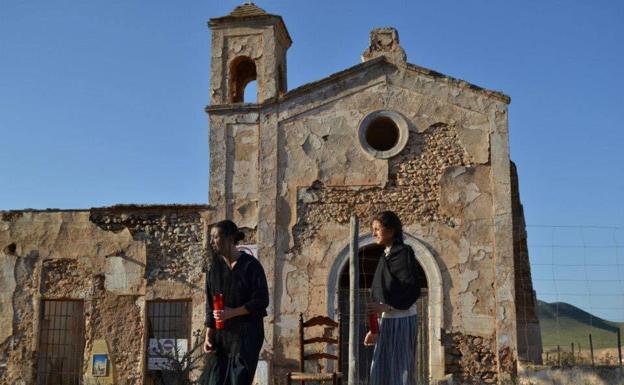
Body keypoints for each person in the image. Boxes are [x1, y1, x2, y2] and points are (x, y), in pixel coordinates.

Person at [201, 220, 269, 385]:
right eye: (211, 237)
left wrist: (232, 312)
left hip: (247, 336)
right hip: (221, 339)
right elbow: (210, 305)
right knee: (214, 381)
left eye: (216, 237)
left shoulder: (251, 266)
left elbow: (261, 300)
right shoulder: (214, 270)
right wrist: (208, 336)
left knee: (238, 380)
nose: (212, 241)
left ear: (230, 239)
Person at [363, 211, 423, 385]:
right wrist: (374, 329)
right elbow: (378, 296)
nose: (373, 233)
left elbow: (411, 290)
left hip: (403, 320)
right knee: (379, 372)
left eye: (377, 229)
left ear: (391, 231)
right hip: (386, 322)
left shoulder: (404, 253)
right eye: (372, 229)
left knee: (400, 372)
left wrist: (389, 308)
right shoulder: (385, 256)